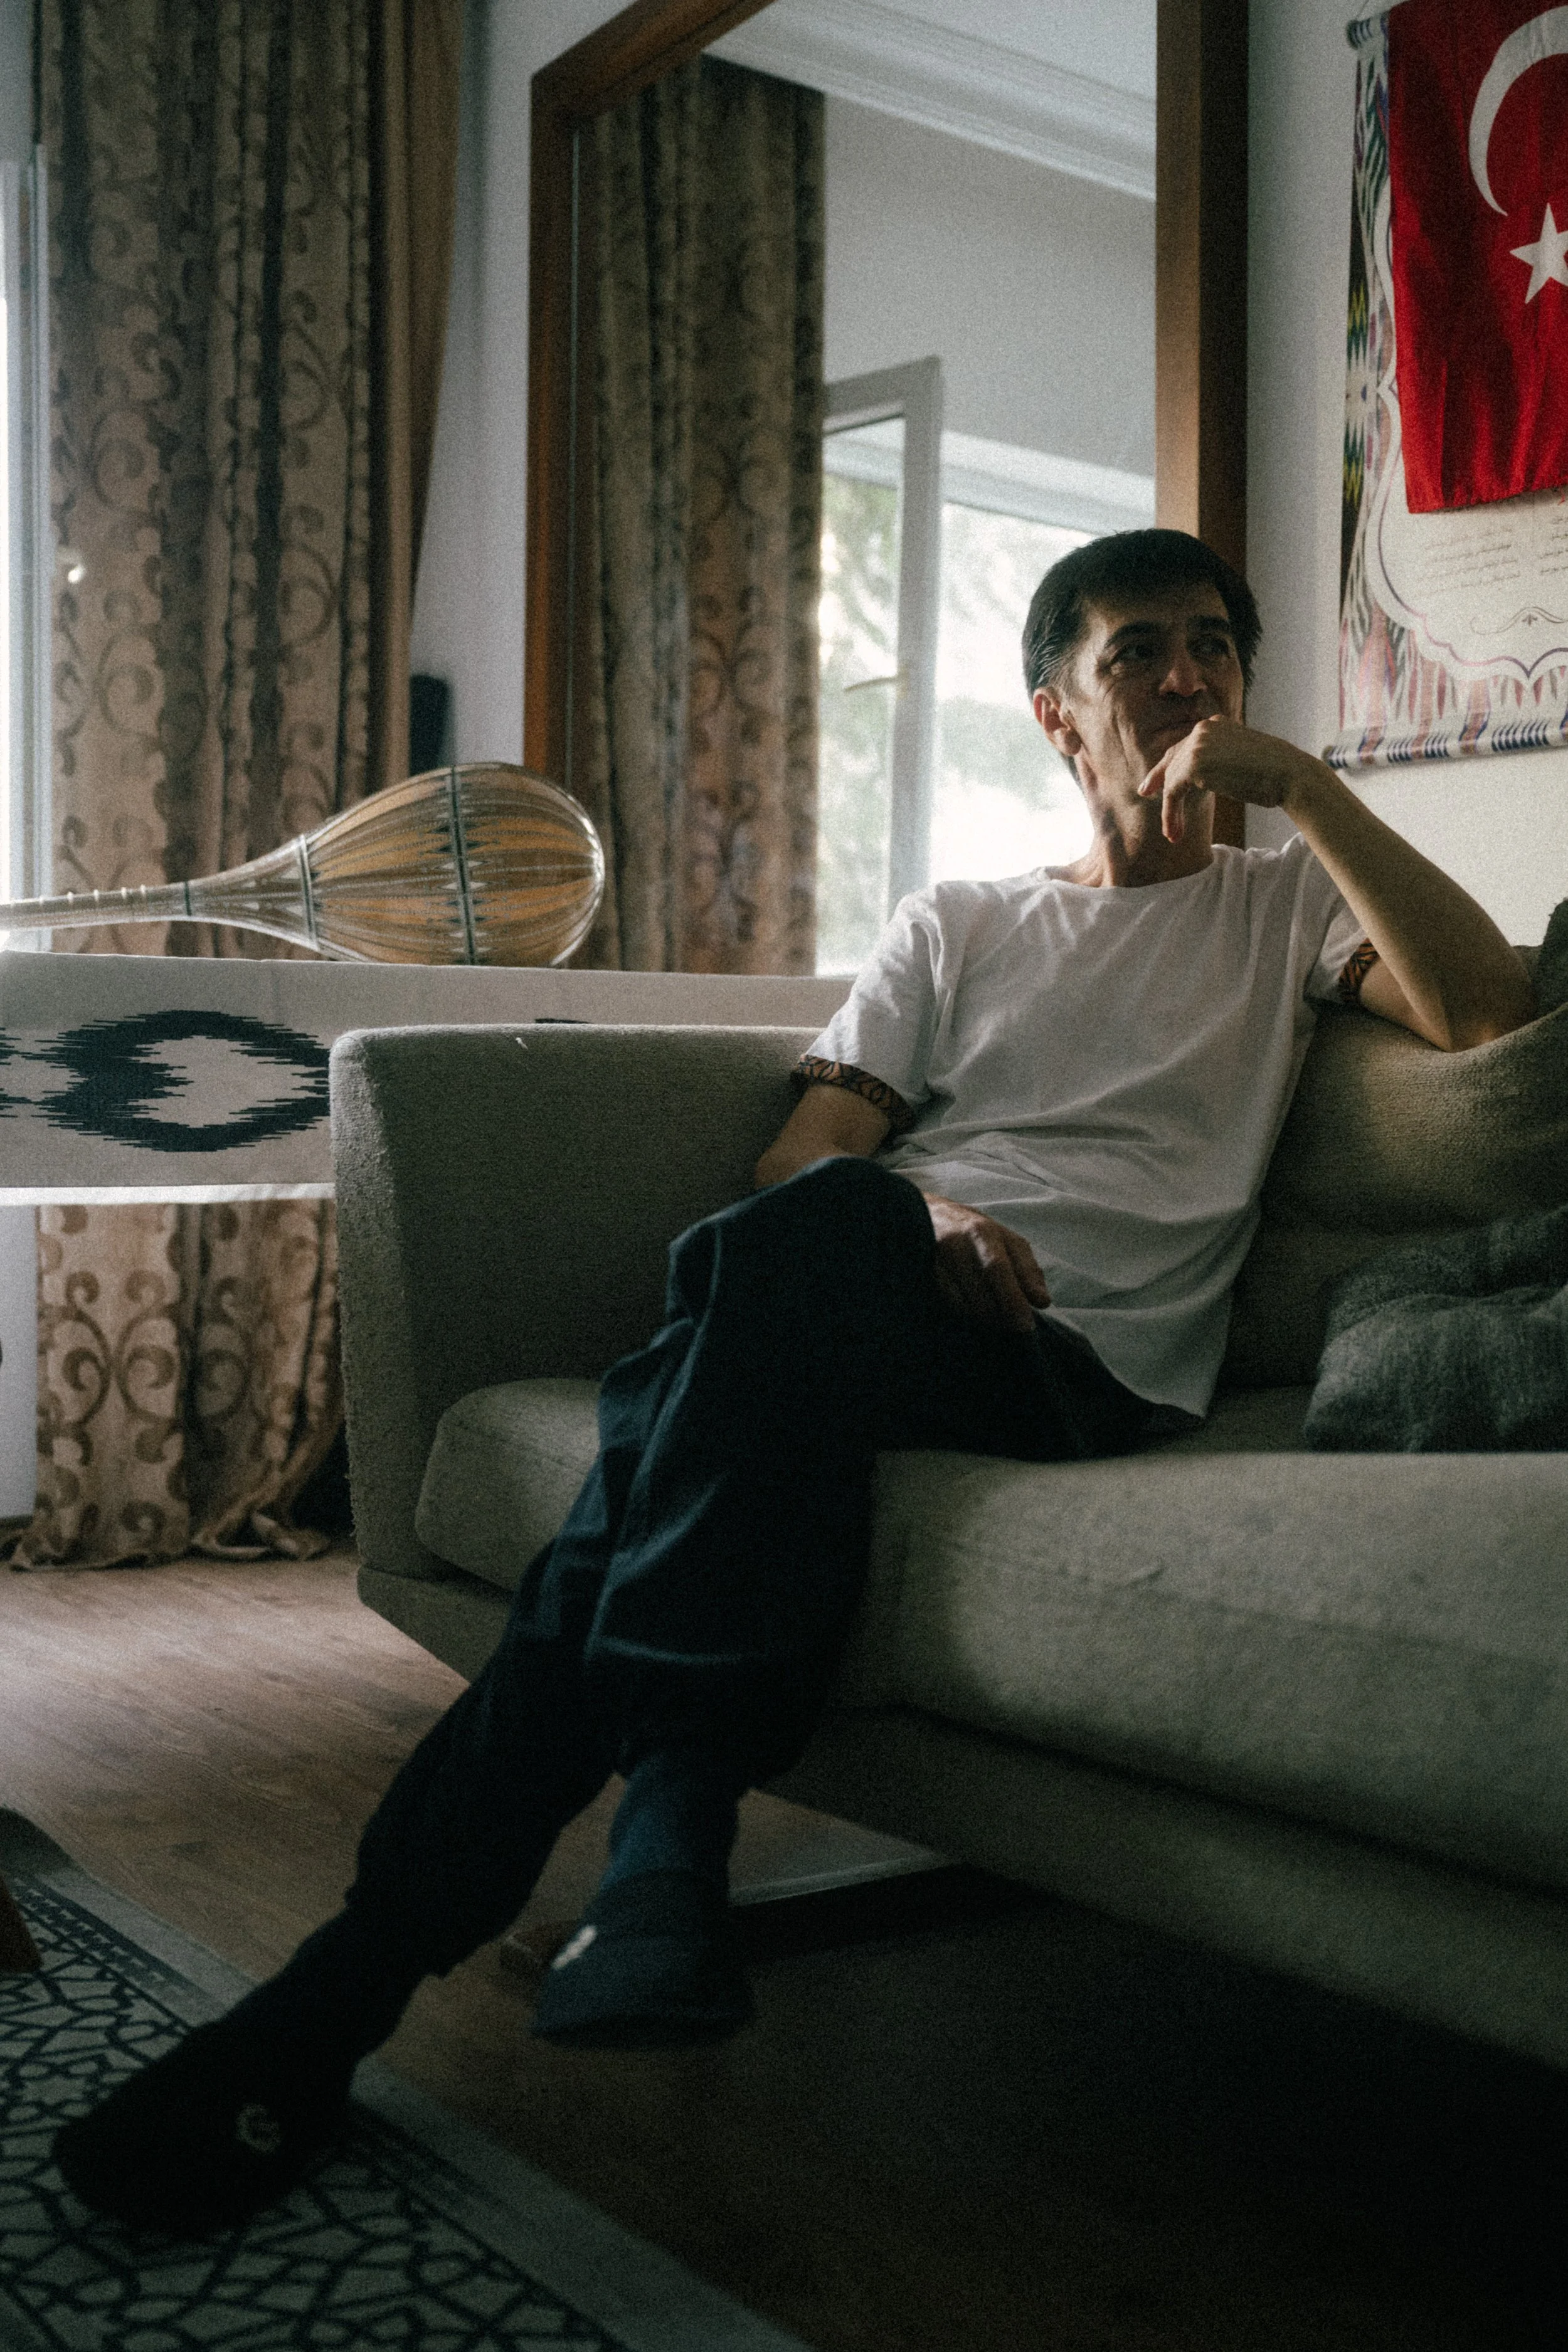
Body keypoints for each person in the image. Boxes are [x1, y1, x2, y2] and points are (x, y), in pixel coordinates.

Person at [54, 530, 1534, 2233]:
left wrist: (1315, 797)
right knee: (777, 1260)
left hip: (1084, 1364)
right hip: (886, 1300)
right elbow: (799, 1159)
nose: (1187, 679)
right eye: (1140, 652)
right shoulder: (964, 920)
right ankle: (430, 1967)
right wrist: (928, 1204)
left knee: (692, 1369)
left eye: (1215, 648)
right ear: (1060, 714)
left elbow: (1490, 1014)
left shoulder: (1283, 915)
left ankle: (507, 1909)